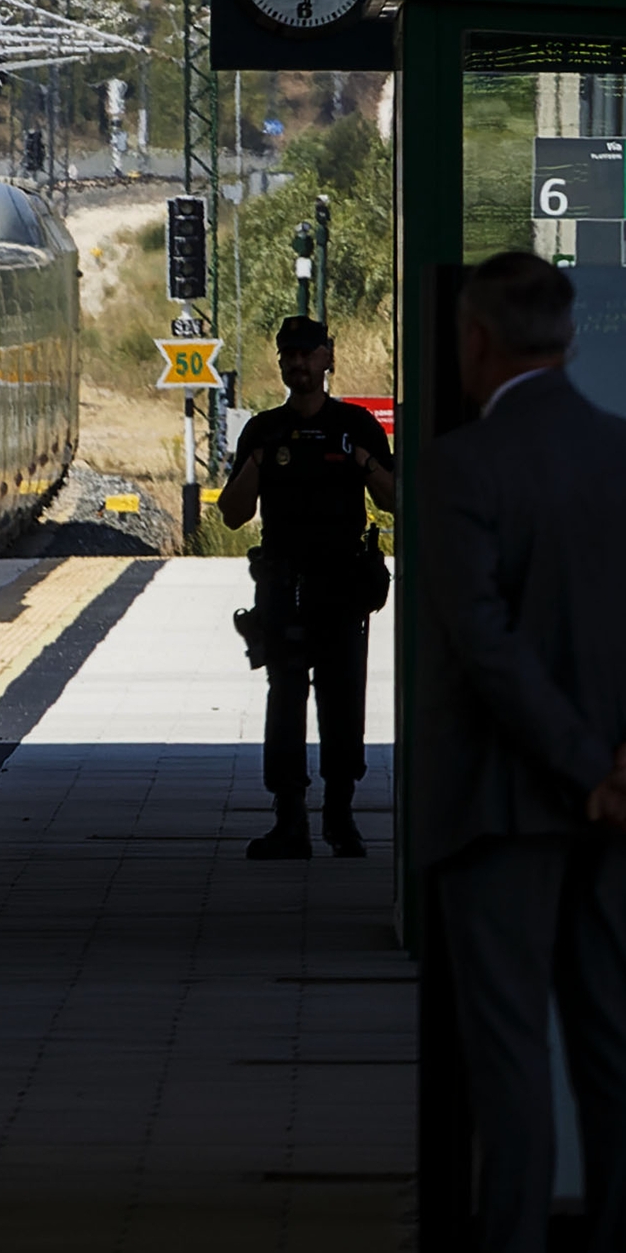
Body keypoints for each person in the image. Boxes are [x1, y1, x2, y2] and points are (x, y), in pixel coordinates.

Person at [411, 251, 626, 1253]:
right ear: (571, 339)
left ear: (477, 344)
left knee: (510, 1058)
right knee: (618, 1050)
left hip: (503, 813)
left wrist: (589, 762)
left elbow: (485, 651)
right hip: (622, 817)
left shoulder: (457, 471)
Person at [217, 315, 396, 859]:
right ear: (281, 364)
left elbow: (395, 500)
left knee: (344, 701)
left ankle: (340, 816)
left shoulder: (357, 426)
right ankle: (289, 818)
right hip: (284, 585)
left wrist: (365, 462)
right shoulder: (265, 431)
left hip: (343, 584)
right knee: (286, 699)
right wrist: (255, 465)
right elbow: (231, 513)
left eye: (307, 353)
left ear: (328, 357)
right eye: (288, 354)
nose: (298, 363)